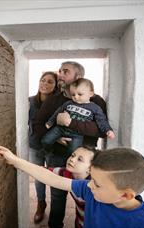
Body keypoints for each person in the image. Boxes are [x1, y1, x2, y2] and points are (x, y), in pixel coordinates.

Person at [0, 146, 144, 228]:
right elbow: (51, 178)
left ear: (126, 195)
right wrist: (15, 160)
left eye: (97, 183)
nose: (89, 184)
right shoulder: (91, 191)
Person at [33, 61, 108, 228]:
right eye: (60, 71)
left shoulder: (96, 101)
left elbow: (101, 130)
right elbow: (38, 124)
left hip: (85, 160)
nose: (60, 74)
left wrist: (70, 123)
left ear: (78, 76)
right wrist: (55, 137)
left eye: (65, 71)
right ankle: (55, 225)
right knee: (57, 195)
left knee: (86, 197)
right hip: (57, 155)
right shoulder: (54, 99)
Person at [41, 78, 115, 155]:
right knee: (45, 140)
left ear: (91, 93)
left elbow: (101, 120)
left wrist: (108, 130)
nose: (76, 97)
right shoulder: (68, 103)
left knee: (73, 151)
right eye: (73, 94)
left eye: (80, 94)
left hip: (77, 134)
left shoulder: (95, 108)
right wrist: (50, 122)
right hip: (60, 129)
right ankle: (47, 151)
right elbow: (57, 113)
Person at [28, 71, 57, 223]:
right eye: (43, 80)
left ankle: (55, 208)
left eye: (50, 82)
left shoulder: (58, 103)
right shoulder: (30, 101)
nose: (45, 84)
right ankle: (41, 203)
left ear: (56, 86)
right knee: (39, 177)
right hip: (35, 146)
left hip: (53, 148)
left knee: (53, 177)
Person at [47, 146, 95, 228]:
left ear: (90, 169)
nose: (72, 159)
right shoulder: (68, 173)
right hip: (79, 221)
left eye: (80, 159)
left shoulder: (93, 187)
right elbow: (47, 171)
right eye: (73, 155)